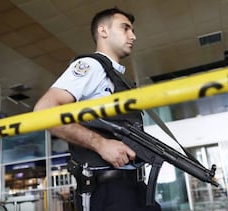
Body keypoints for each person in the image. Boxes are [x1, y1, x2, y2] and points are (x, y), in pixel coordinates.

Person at [34, 7, 161, 211]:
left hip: (133, 186)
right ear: (104, 31)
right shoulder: (92, 66)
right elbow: (44, 111)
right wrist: (101, 144)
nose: (133, 36)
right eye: (125, 28)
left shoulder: (116, 76)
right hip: (109, 190)